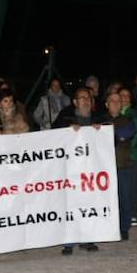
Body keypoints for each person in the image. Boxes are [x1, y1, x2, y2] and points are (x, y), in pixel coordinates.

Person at [54, 87, 108, 255]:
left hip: (91, 173)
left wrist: (102, 130)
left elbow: (110, 141)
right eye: (82, 98)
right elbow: (53, 135)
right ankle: (68, 242)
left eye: (88, 98)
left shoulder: (98, 118)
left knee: (88, 205)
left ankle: (87, 239)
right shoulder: (65, 117)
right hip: (70, 171)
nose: (86, 101)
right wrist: (67, 129)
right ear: (75, 102)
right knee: (70, 205)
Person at [103, 91, 137, 241]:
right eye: (112, 101)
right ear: (106, 105)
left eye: (118, 101)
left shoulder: (128, 120)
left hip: (122, 165)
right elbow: (118, 136)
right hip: (103, 168)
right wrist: (115, 134)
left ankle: (124, 228)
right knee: (106, 199)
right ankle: (108, 227)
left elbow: (126, 134)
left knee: (125, 197)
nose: (115, 103)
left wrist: (106, 132)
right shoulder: (99, 120)